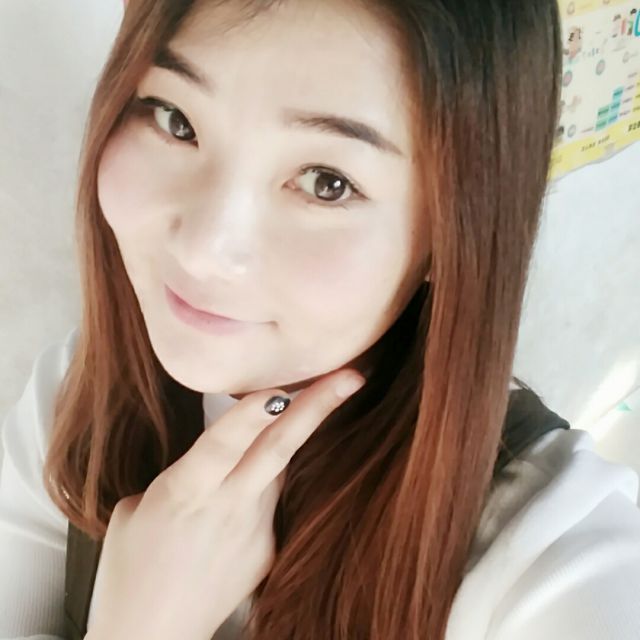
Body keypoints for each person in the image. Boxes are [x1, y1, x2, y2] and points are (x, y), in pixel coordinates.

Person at [1, 1, 639, 639]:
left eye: (326, 182)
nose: (203, 250)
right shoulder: (79, 395)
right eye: (177, 120)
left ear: (453, 234)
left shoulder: (554, 556)